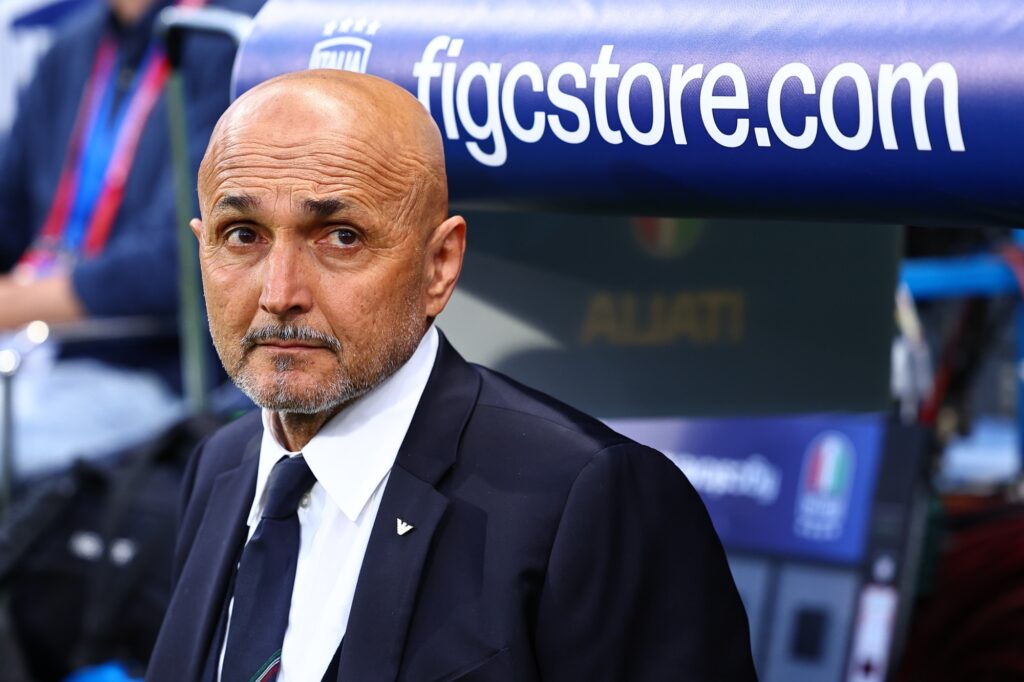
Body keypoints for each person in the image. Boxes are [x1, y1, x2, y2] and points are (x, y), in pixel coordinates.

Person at [147, 69, 756, 681]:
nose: (280, 294)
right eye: (242, 235)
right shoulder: (220, 466)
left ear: (439, 265)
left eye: (341, 237)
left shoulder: (590, 498)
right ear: (201, 248)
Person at [0, 0, 259, 479]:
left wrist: (21, 303)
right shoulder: (73, 45)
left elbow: (193, 251)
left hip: (152, 368)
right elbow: (8, 210)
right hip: (34, 347)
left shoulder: (227, 38)